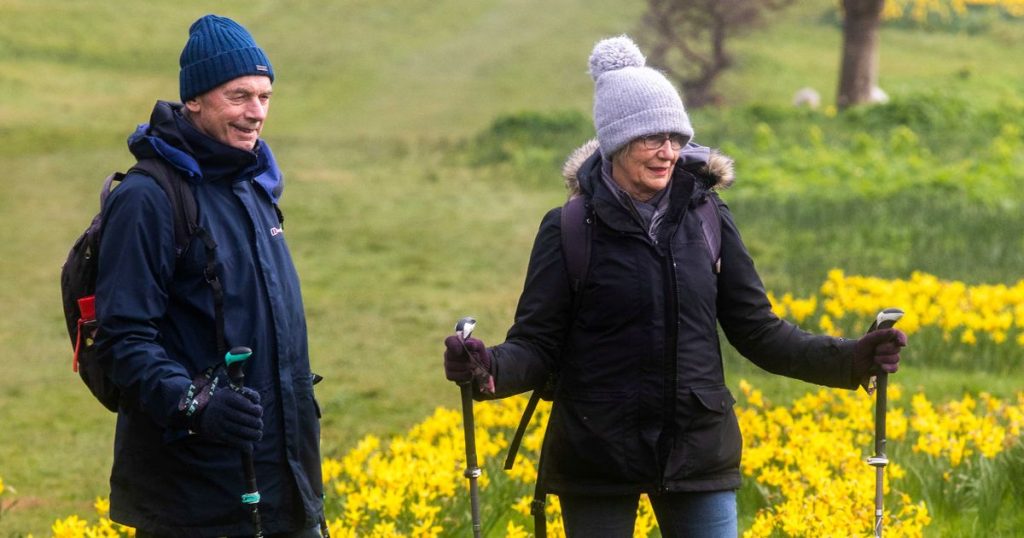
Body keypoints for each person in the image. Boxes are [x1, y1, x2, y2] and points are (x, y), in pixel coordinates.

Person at [442, 35, 907, 537]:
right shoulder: (569, 228)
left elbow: (758, 330)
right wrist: (488, 369)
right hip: (597, 453)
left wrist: (850, 358)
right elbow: (537, 344)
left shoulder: (708, 218)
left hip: (697, 449)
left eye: (676, 137)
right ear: (617, 142)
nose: (668, 153)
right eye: (652, 139)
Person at [95, 14, 325, 537]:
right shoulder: (148, 198)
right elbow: (122, 340)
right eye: (239, 96)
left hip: (286, 488)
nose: (256, 112)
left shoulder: (252, 186)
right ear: (194, 99)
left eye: (264, 96)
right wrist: (196, 405)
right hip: (194, 501)